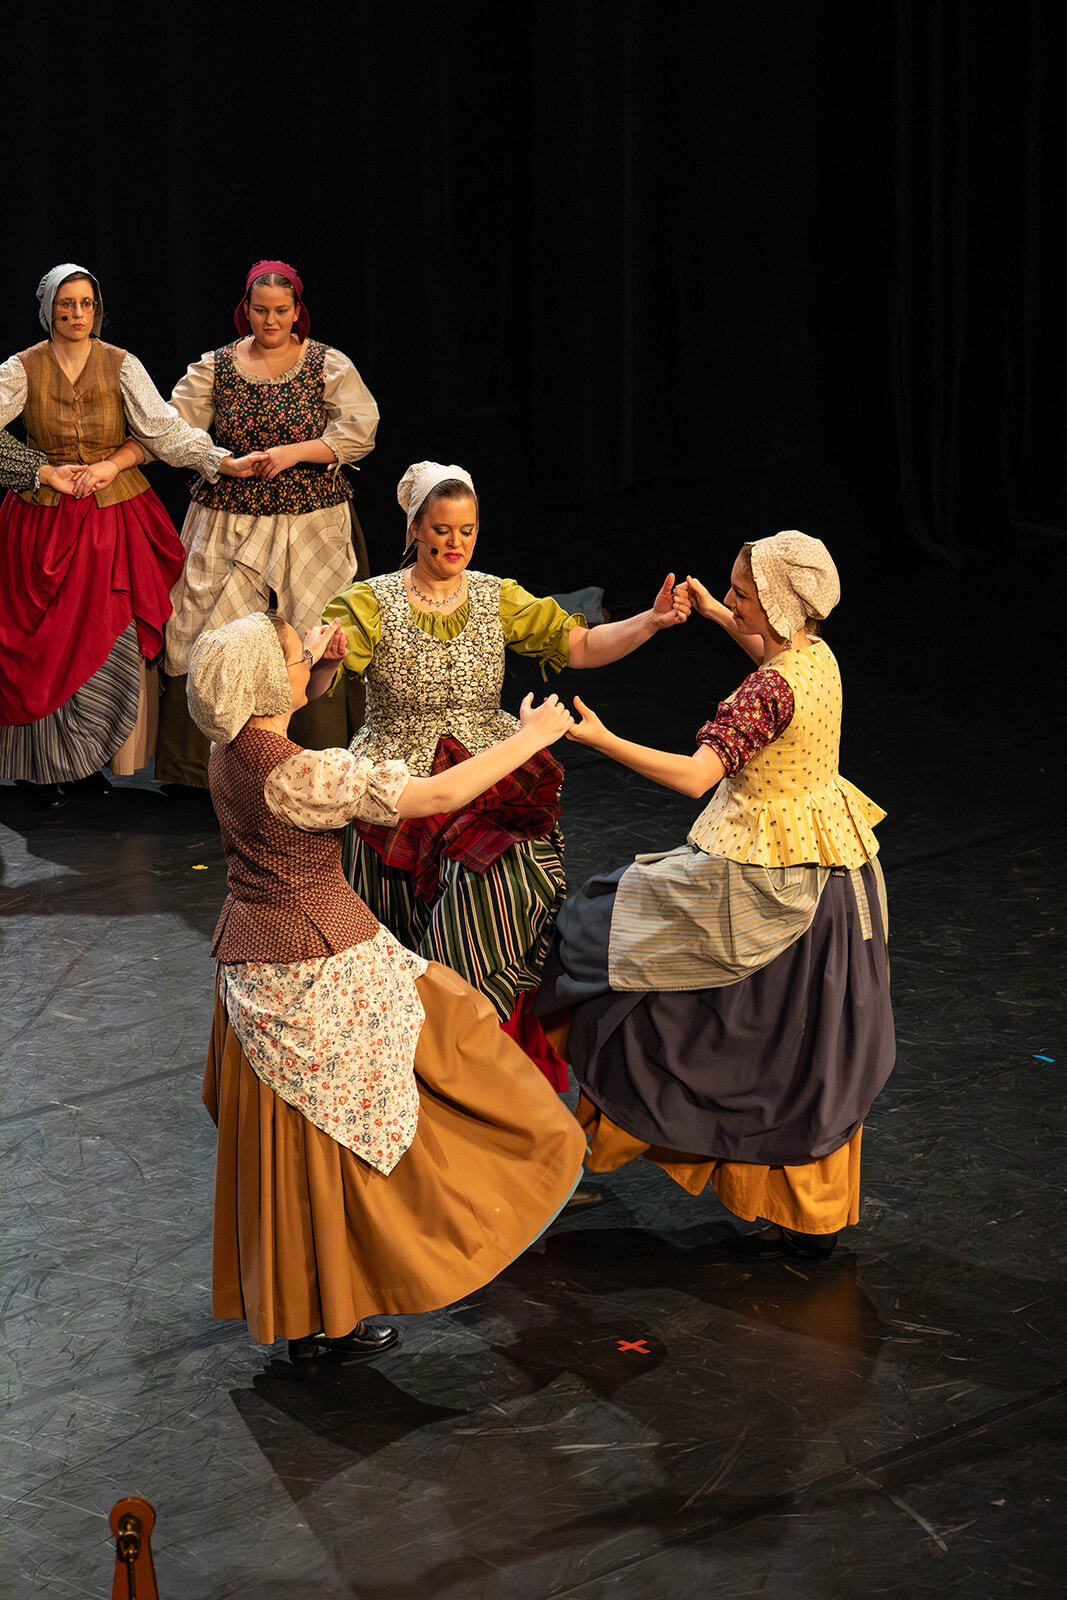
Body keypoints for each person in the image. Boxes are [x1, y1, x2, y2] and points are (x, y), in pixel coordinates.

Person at [188, 610, 586, 1360]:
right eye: (294, 651)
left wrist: (319, 669)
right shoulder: (303, 773)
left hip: (251, 961)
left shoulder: (226, 749)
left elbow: (278, 722)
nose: (307, 647)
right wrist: (527, 739)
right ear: (275, 680)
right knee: (455, 1049)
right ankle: (427, 1239)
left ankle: (313, 1313)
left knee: (300, 1149)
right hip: (318, 962)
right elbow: (434, 799)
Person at [535, 531, 895, 1258]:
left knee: (594, 930)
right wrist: (714, 616)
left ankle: (585, 1117)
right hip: (835, 874)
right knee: (789, 1048)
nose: (731, 599)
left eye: (740, 594)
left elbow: (696, 777)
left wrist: (598, 737)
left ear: (777, 606)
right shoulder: (814, 658)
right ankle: (800, 1206)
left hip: (767, 878)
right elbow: (769, 654)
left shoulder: (769, 689)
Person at [324, 460, 691, 1085]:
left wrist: (650, 621)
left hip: (488, 775)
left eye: (467, 530)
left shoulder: (498, 597)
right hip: (401, 781)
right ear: (414, 529)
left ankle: (481, 1053)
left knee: (492, 905)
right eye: (441, 530)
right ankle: (414, 1065)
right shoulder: (369, 602)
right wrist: (321, 655)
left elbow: (577, 646)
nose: (455, 544)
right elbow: (327, 668)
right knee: (397, 933)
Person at [0, 262, 260, 806]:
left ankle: (94, 762)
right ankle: (43, 767)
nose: (76, 314)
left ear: (98, 309)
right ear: (47, 309)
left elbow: (162, 431)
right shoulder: (23, 368)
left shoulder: (121, 364)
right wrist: (40, 470)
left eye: (86, 304)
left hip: (111, 523)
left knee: (109, 637)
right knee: (42, 647)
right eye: (65, 304)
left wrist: (219, 461)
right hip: (42, 522)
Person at [158, 258, 379, 788]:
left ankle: (315, 754)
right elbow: (170, 428)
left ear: (297, 310)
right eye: (261, 310)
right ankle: (202, 769)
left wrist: (293, 453)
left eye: (281, 310)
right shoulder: (217, 366)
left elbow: (360, 430)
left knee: (310, 627)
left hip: (311, 520)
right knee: (211, 628)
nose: (271, 321)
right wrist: (219, 460)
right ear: (246, 310)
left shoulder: (326, 363)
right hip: (229, 519)